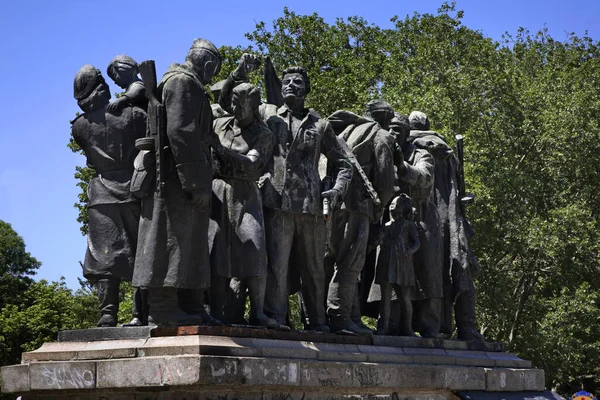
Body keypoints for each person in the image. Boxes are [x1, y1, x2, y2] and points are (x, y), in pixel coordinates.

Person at [132, 38, 221, 327]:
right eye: (213, 71)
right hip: (174, 178)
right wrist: (195, 182)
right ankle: (163, 307)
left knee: (189, 242)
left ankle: (189, 303)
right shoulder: (184, 82)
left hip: (178, 175)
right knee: (168, 240)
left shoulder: (180, 81)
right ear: (208, 64)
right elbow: (181, 131)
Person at [259, 67, 353, 331]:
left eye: (297, 82)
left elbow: (345, 164)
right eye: (286, 82)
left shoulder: (320, 125)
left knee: (313, 268)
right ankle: (275, 318)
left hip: (311, 206)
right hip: (276, 201)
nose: (290, 85)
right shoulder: (269, 118)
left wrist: (336, 191)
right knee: (276, 264)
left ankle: (316, 320)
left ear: (306, 90)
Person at [71, 65, 146, 327]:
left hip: (100, 194)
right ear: (102, 87)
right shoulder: (134, 115)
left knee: (104, 257)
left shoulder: (79, 126)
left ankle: (108, 314)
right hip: (131, 190)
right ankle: (140, 313)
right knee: (140, 253)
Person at [208, 82, 277, 328]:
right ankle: (215, 311)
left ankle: (258, 311)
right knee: (217, 251)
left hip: (246, 194)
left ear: (253, 105)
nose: (234, 106)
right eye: (233, 102)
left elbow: (250, 165)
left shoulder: (263, 134)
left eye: (240, 102)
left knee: (255, 246)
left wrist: (219, 150)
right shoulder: (219, 125)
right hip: (218, 191)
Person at [409, 111, 483, 341]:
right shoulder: (444, 147)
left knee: (427, 270)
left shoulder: (410, 146)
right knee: (458, 269)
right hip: (449, 220)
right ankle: (467, 327)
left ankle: (417, 324)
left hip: (424, 218)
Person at [325, 100, 396, 334]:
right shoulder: (381, 135)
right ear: (384, 118)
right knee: (350, 261)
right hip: (359, 205)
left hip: (334, 203)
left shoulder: (345, 130)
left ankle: (351, 317)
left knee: (336, 259)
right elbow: (385, 182)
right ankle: (338, 315)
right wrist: (380, 209)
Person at [371, 194, 420, 336]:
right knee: (385, 297)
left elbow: (416, 241)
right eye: (392, 204)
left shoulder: (409, 225)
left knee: (405, 296)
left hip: (403, 263)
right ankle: (382, 327)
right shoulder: (386, 226)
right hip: (387, 262)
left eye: (396, 204)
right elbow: (378, 241)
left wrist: (411, 250)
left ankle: (407, 328)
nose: (393, 207)